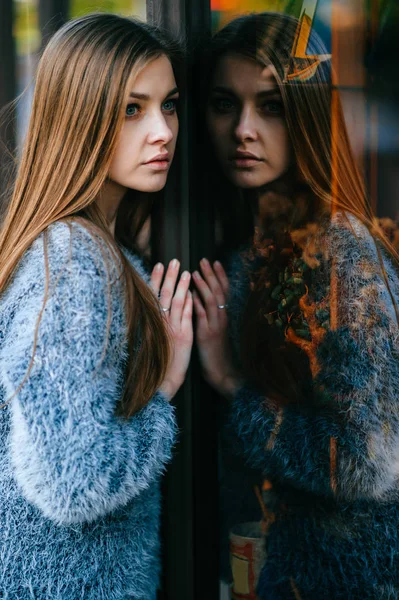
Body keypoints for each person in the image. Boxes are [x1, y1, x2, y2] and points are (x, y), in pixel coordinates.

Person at [192, 12, 399, 599]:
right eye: (224, 104)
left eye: (271, 106)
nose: (243, 130)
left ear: (307, 113)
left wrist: (233, 385)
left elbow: (370, 462)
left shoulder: (342, 254)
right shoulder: (252, 243)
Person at [0, 13, 193, 600]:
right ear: (79, 117)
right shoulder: (73, 260)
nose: (162, 130)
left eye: (170, 104)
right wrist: (164, 386)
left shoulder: (81, 246)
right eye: (133, 109)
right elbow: (70, 479)